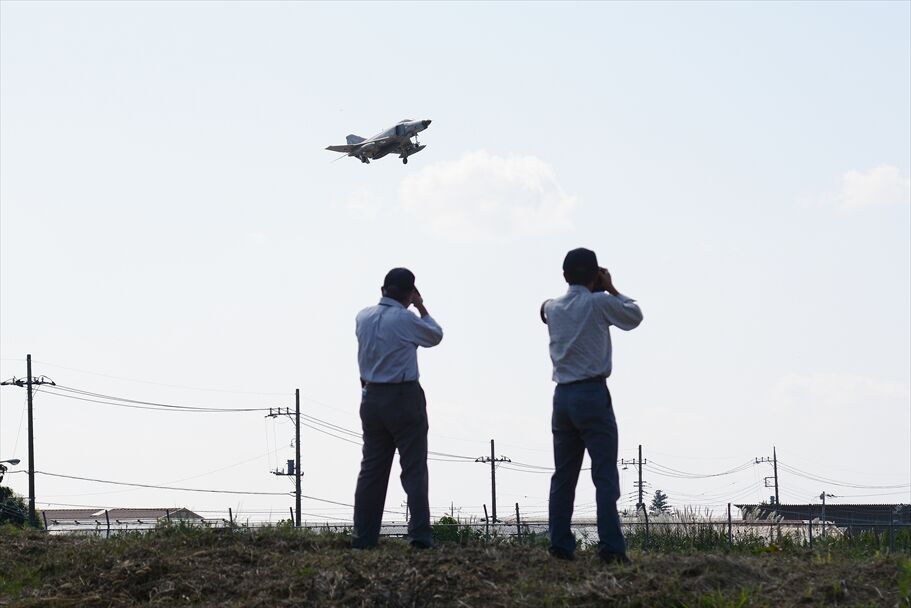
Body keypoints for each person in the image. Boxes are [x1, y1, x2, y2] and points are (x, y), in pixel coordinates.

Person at [541, 248, 643, 564]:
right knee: (604, 474)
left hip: (562, 397)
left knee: (564, 476)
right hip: (592, 394)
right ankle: (610, 547)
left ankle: (560, 544)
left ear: (564, 275)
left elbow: (543, 309)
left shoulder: (553, 308)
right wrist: (611, 287)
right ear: (595, 275)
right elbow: (634, 316)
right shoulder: (600, 303)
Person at [352, 267, 443, 549]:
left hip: (371, 396)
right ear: (409, 294)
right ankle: (419, 537)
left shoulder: (363, 317)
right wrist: (421, 306)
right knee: (413, 469)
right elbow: (435, 335)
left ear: (382, 290)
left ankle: (364, 537)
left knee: (372, 471)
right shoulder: (406, 319)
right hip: (403, 396)